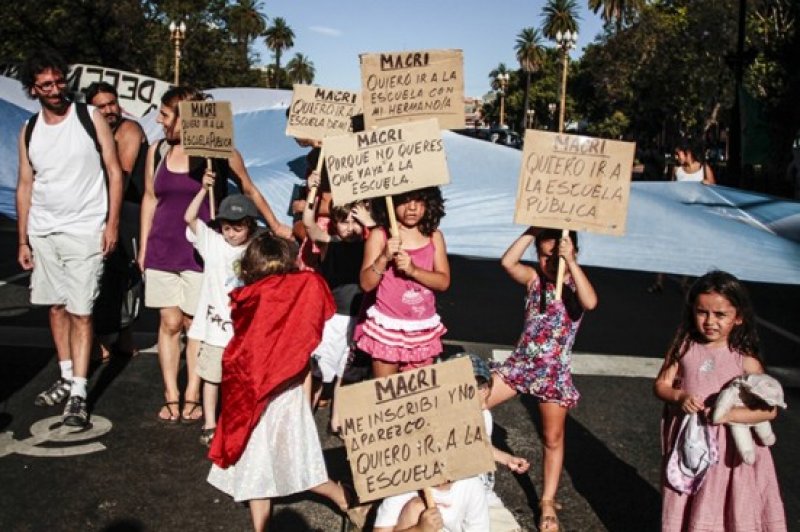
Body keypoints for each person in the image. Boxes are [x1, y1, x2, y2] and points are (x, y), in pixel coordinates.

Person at [139, 86, 292, 424]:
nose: (159, 120)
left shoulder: (220, 152)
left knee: (195, 323)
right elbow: (150, 198)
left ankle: (193, 394)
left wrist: (276, 224)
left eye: (165, 115)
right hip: (163, 247)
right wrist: (144, 247)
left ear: (184, 118)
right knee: (169, 322)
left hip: (201, 250)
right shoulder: (156, 151)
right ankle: (171, 395)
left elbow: (249, 189)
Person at [206, 233, 368, 532]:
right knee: (275, 461)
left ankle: (342, 498)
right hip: (279, 390)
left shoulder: (250, 295)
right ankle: (340, 500)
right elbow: (301, 345)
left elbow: (257, 351)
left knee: (278, 461)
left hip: (264, 392)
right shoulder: (298, 290)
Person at [16, 50, 123, 427]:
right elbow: (25, 185)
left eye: (60, 81)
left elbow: (114, 171)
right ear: (33, 89)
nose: (56, 89)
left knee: (81, 311)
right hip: (43, 232)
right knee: (56, 308)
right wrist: (23, 239)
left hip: (84, 230)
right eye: (47, 84)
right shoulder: (29, 130)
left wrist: (111, 224)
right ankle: (65, 375)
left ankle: (79, 391)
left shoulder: (88, 117)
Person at [653, 270, 786, 531]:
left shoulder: (745, 361)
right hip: (690, 446)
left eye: (720, 315)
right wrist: (678, 396)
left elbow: (769, 411)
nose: (710, 321)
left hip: (730, 456)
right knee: (688, 500)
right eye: (702, 312)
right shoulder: (683, 347)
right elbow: (661, 385)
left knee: (727, 504)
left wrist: (730, 415)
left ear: (738, 317)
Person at [486, 227, 598, 532]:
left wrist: (569, 261)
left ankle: (547, 500)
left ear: (572, 249)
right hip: (521, 364)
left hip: (554, 371)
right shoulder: (535, 280)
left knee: (552, 438)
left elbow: (590, 303)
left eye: (557, 254)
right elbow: (508, 263)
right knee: (472, 403)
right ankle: (474, 467)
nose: (551, 261)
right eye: (545, 254)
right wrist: (531, 231)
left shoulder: (576, 284)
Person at [373, 352, 529, 532]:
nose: (477, 392)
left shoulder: (470, 484)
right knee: (415, 508)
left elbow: (479, 446)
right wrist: (418, 529)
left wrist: (506, 458)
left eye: (481, 386)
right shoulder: (409, 477)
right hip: (432, 508)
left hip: (474, 492)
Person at [184, 172, 258, 443]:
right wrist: (203, 190)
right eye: (227, 226)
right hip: (216, 328)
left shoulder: (255, 249)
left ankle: (240, 420)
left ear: (250, 226)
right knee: (211, 377)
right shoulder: (212, 242)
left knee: (241, 378)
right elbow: (189, 218)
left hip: (243, 328)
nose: (232, 233)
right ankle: (210, 423)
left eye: (238, 227)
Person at [302, 170, 375, 432]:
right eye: (344, 221)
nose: (351, 228)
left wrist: (370, 217)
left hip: (359, 318)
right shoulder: (328, 243)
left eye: (356, 222)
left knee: (347, 371)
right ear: (334, 222)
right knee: (319, 370)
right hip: (332, 319)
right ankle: (305, 419)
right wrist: (313, 190)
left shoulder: (369, 244)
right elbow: (308, 223)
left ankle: (338, 420)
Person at [355, 187, 449, 378]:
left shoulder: (434, 236)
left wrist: (414, 270)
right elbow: (366, 284)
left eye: (419, 201)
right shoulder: (380, 236)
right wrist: (384, 257)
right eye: (405, 201)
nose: (412, 208)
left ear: (429, 203)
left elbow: (443, 282)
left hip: (422, 328)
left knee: (415, 398)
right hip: (388, 328)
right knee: (385, 394)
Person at [85, 81, 149, 361]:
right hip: (99, 209)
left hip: (128, 212)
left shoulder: (129, 130)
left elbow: (121, 175)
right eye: (103, 106)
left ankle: (117, 335)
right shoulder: (89, 132)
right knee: (105, 277)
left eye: (113, 103)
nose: (110, 110)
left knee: (125, 276)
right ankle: (109, 336)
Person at [647, 139, 715, 294]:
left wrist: (706, 186)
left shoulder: (704, 169)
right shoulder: (677, 171)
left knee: (691, 249)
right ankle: (659, 282)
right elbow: (669, 190)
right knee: (667, 247)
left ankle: (684, 282)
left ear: (688, 153)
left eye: (678, 154)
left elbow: (715, 192)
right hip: (677, 215)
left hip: (696, 218)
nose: (676, 157)